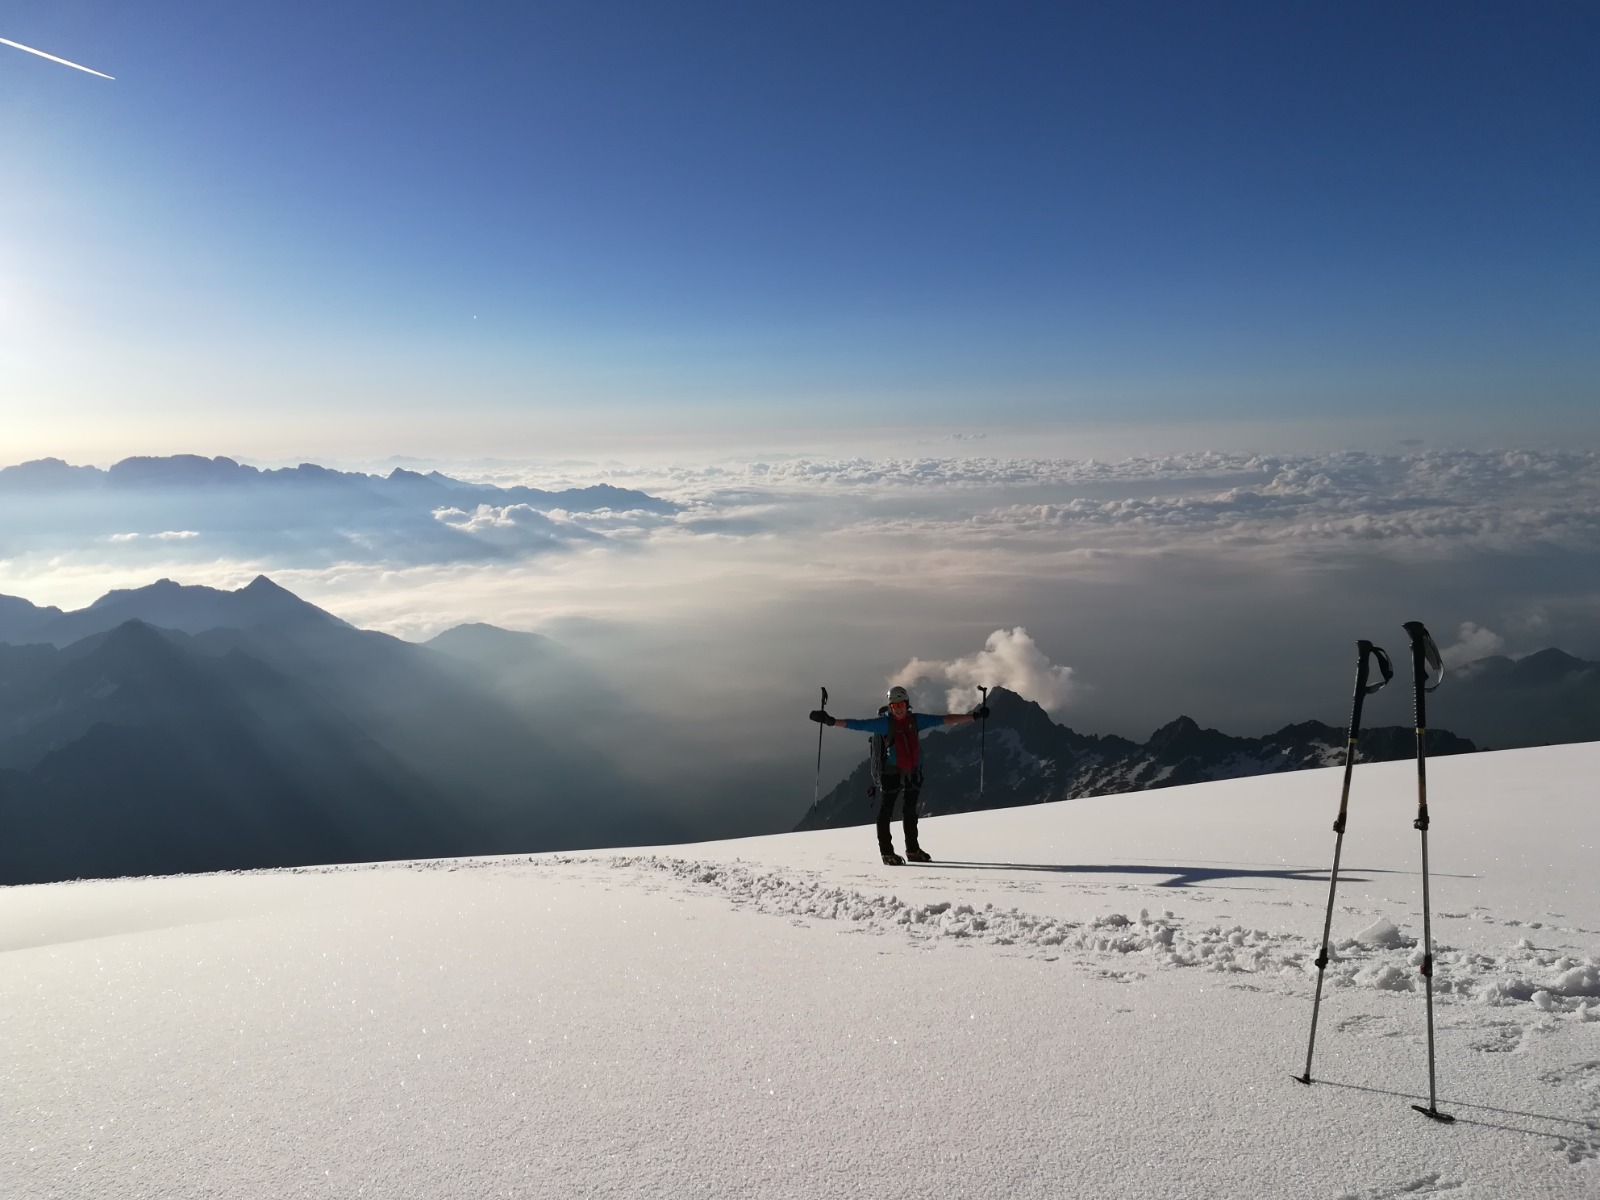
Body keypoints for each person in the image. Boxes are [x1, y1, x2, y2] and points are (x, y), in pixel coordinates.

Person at [809, 685, 989, 865]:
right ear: (890, 707)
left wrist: (973, 717)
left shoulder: (917, 720)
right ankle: (887, 853)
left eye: (901, 704)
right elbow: (859, 724)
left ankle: (912, 850)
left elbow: (944, 719)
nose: (898, 709)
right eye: (894, 706)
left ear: (907, 704)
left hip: (912, 772)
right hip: (892, 773)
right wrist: (831, 721)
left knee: (909, 812)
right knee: (886, 812)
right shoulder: (885, 724)